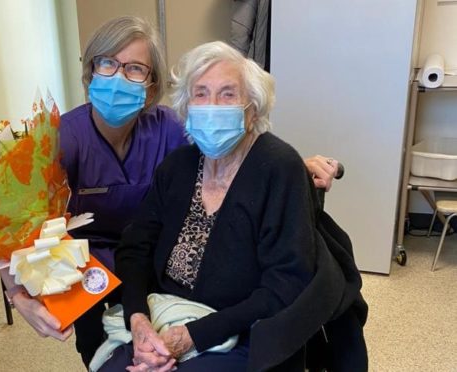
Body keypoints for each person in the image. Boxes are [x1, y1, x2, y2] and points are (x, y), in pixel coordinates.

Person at [0, 16, 342, 369]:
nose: (211, 108)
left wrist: (294, 164)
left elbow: (242, 154)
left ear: (151, 85)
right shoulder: (64, 140)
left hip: (216, 314)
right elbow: (5, 222)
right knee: (103, 350)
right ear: (90, 69)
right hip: (90, 264)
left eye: (134, 68)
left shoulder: (171, 132)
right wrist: (20, 293)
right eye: (107, 63)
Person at [97, 41, 365, 371]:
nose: (212, 106)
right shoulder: (177, 166)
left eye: (227, 94)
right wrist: (138, 321)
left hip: (243, 329)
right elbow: (134, 248)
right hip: (165, 314)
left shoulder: (278, 168)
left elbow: (285, 283)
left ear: (252, 111)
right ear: (186, 107)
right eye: (201, 93)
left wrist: (190, 336)